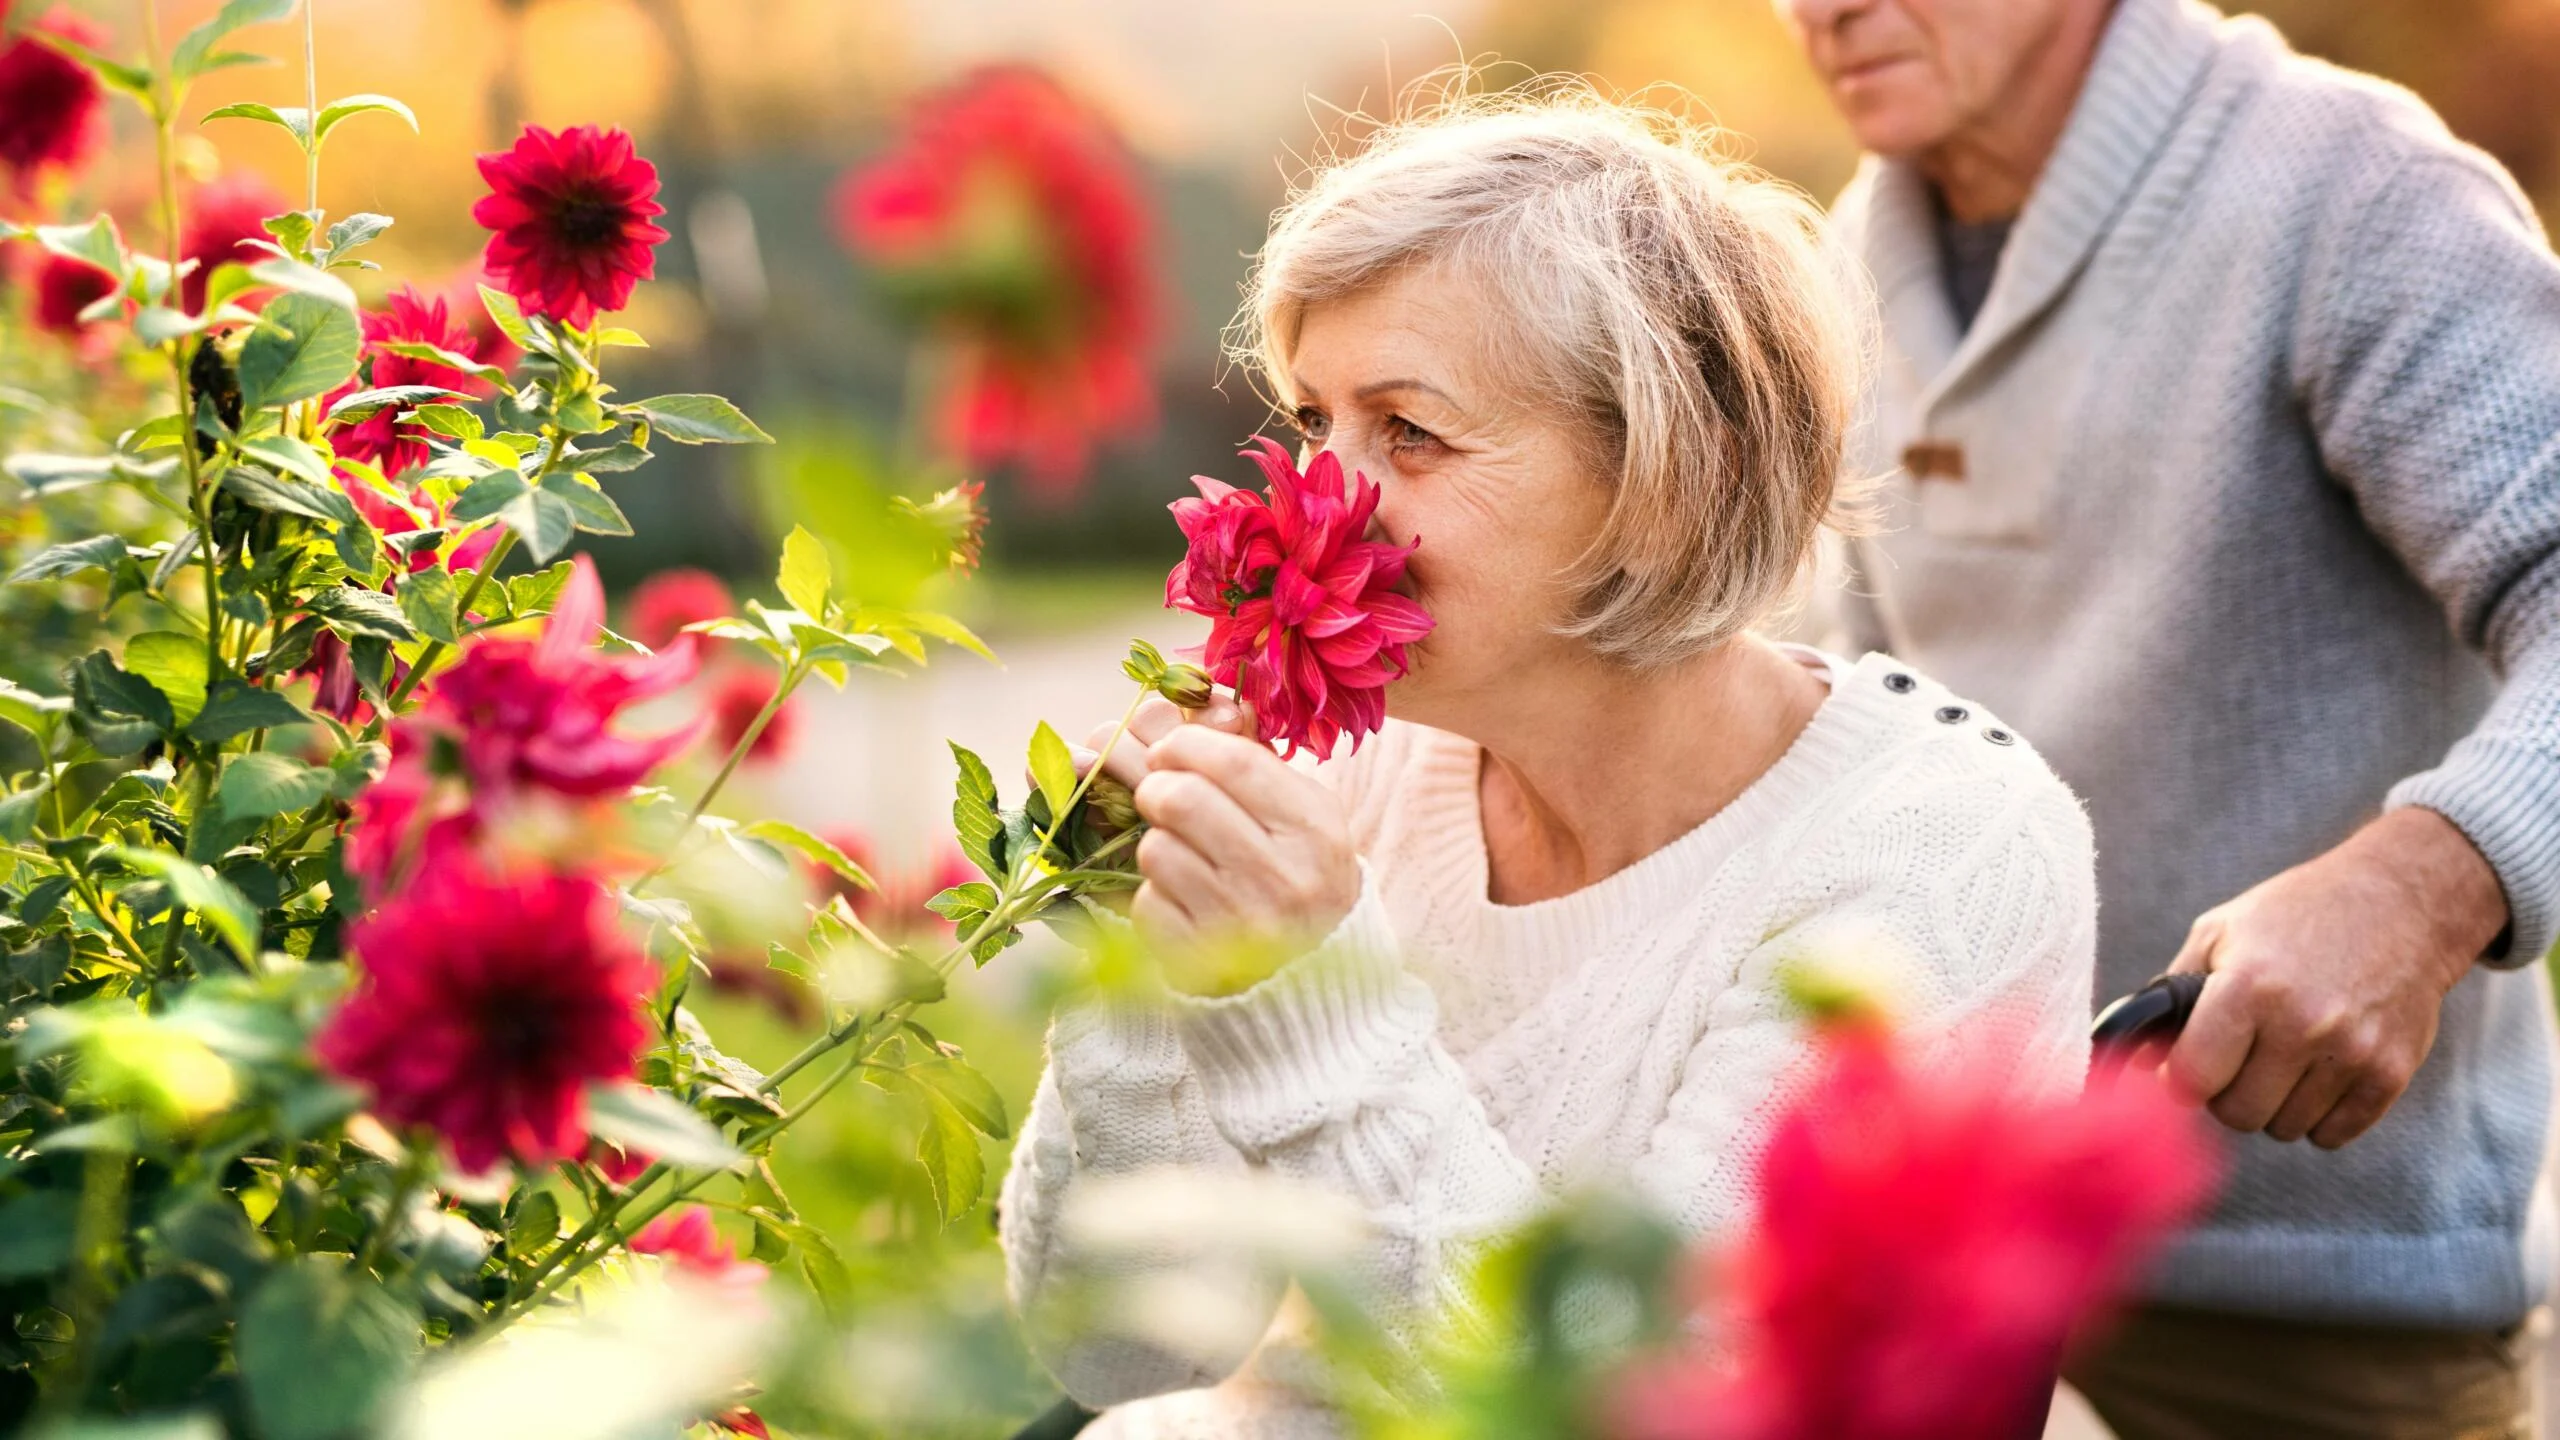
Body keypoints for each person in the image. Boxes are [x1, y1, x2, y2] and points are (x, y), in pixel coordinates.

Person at [996, 89, 2101, 1437]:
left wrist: (1315, 1006)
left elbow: (1644, 1409)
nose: (1314, 500)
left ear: (1664, 485)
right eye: (1313, 421)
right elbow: (1119, 1357)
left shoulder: (1937, 853)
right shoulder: (1351, 770)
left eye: (1409, 430)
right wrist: (1136, 978)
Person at [1778, 0, 2560, 1432]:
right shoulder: (1845, 260)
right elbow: (1865, 736)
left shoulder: (2350, 192)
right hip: (1960, 1288)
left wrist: (2426, 882)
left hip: (2315, 1314)